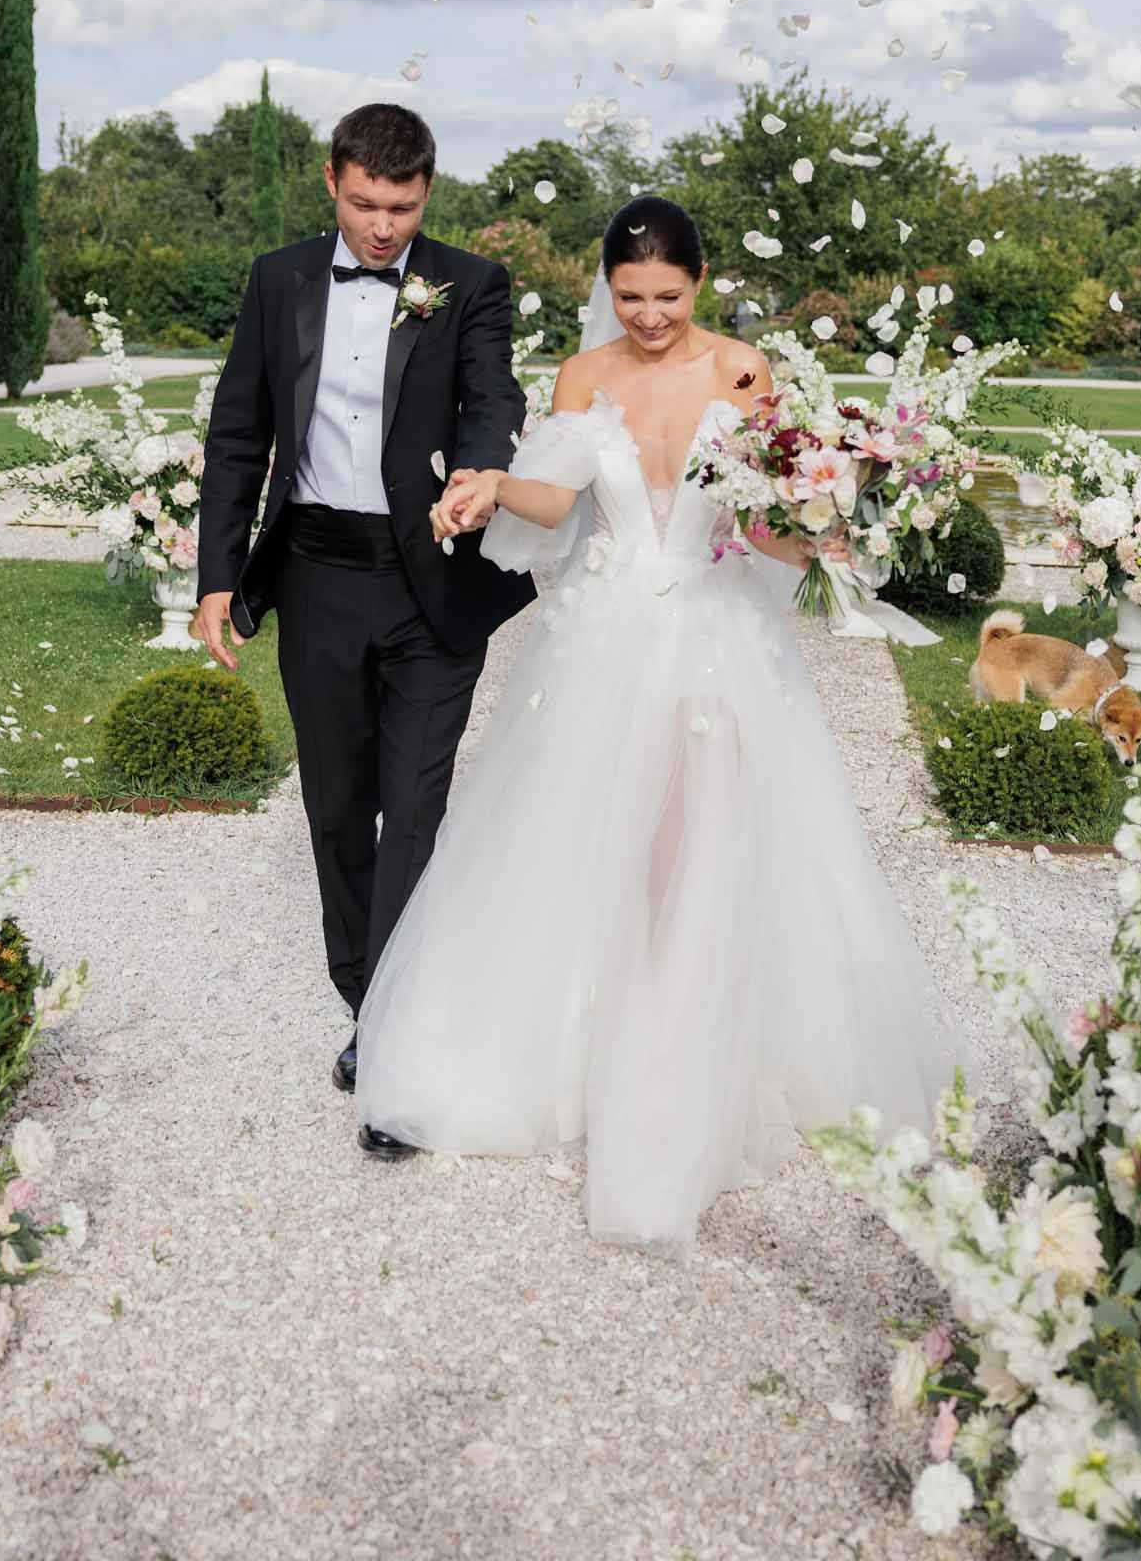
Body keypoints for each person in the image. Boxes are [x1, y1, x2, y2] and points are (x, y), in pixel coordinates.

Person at [354, 193, 964, 1254]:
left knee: (692, 851)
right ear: (605, 286)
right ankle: (586, 1053)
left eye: (666, 296)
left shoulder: (741, 372)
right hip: (602, 636)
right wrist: (493, 480)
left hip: (714, 634)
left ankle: (682, 1064)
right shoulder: (583, 378)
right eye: (628, 295)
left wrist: (823, 520)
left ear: (700, 281)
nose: (645, 314)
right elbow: (556, 503)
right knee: (586, 845)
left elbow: (763, 528)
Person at [195, 102, 533, 1157]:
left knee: (415, 807)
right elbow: (239, 431)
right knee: (338, 806)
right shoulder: (278, 277)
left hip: (432, 583)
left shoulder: (472, 283)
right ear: (330, 184)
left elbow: (491, 400)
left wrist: (481, 475)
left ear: (426, 191)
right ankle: (362, 988)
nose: (383, 227)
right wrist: (217, 578)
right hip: (317, 575)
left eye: (402, 206)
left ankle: (392, 1038)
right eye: (363, 204)